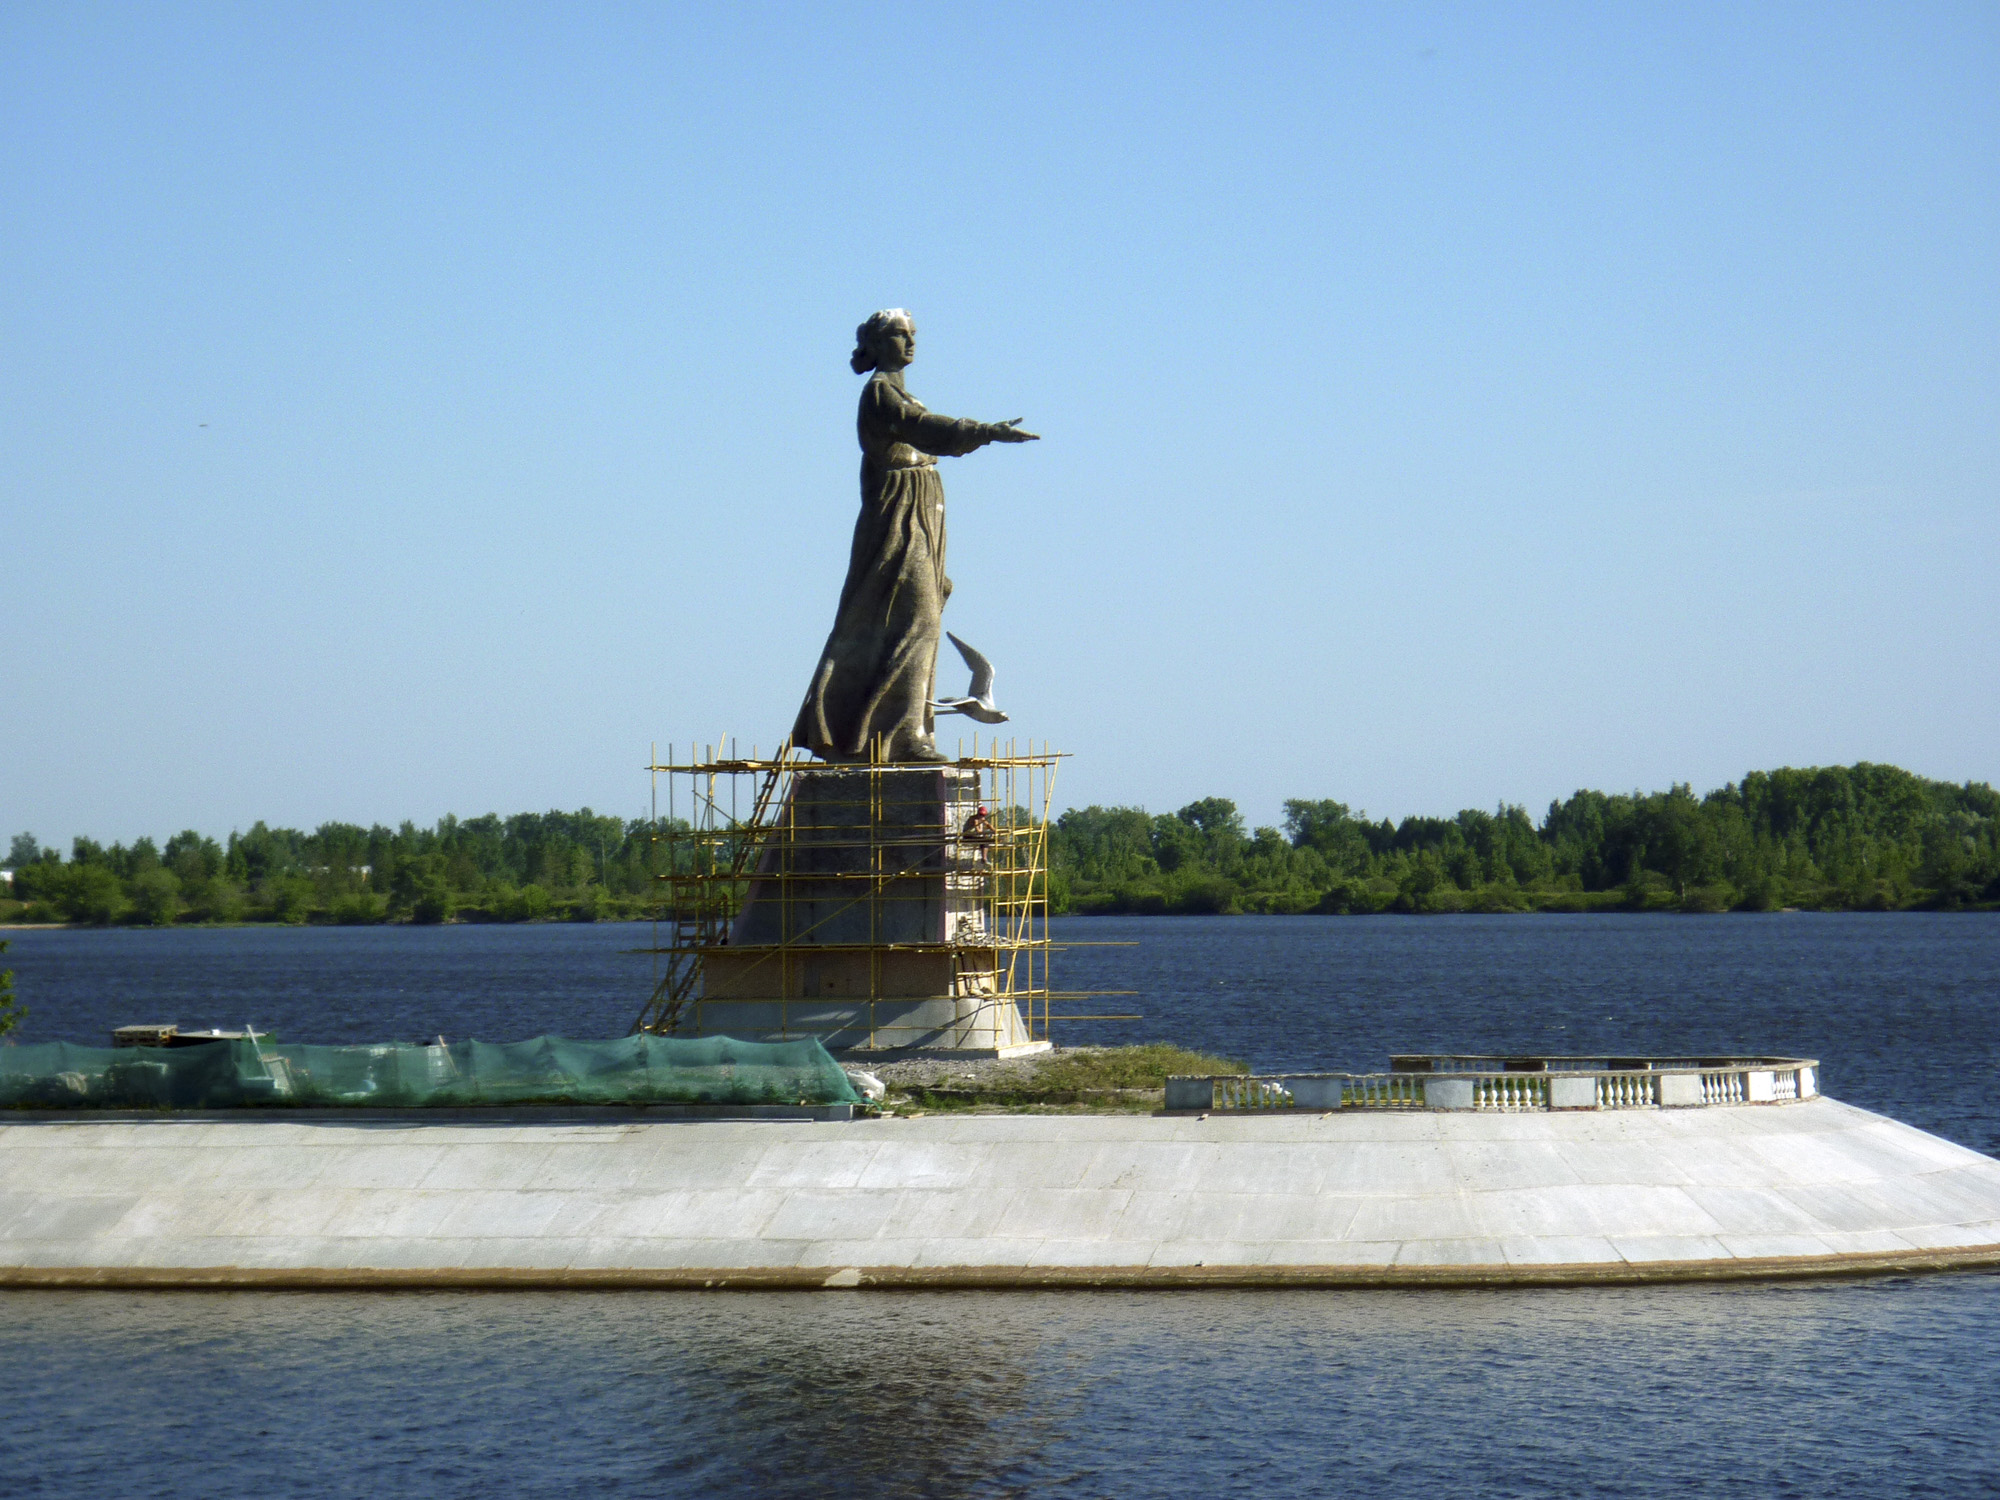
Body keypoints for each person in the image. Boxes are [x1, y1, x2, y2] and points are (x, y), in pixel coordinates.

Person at [791, 310, 1036, 763]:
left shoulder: (900, 392)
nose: (911, 343)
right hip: (899, 516)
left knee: (913, 619)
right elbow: (924, 429)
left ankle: (894, 731)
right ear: (879, 344)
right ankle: (902, 736)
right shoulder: (882, 394)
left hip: (919, 512)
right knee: (916, 619)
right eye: (900, 335)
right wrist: (986, 432)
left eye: (913, 335)